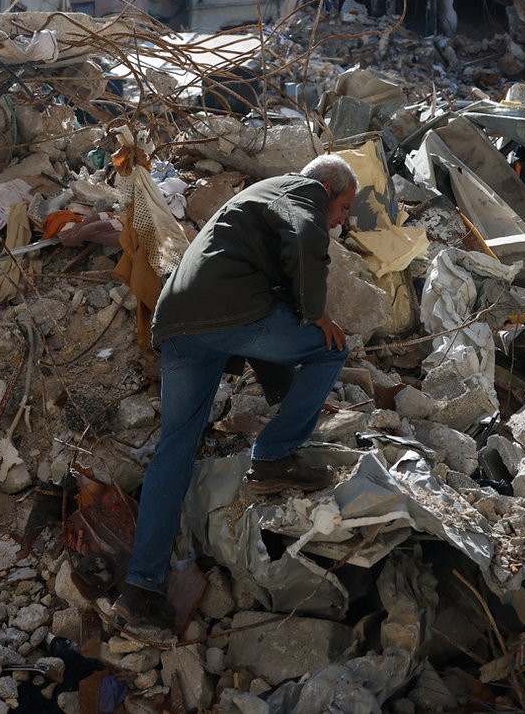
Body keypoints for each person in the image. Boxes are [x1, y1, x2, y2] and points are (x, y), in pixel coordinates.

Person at [112, 154, 359, 634]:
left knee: (175, 448)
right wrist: (316, 315)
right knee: (331, 348)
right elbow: (306, 244)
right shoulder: (301, 192)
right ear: (328, 189)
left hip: (181, 322)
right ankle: (274, 456)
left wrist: (283, 390)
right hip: (227, 314)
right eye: (344, 207)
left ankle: (140, 588)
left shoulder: (260, 198)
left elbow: (265, 307)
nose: (341, 220)